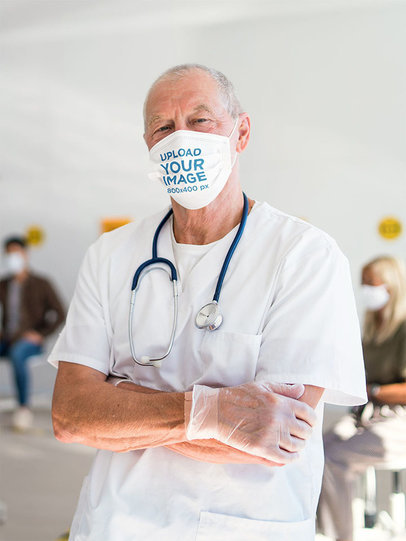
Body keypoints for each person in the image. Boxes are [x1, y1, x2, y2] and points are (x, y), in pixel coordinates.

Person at [49, 64, 366, 541]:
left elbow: (273, 436)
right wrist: (213, 414)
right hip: (114, 524)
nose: (181, 140)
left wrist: (122, 398)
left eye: (200, 121)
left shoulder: (305, 256)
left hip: (242, 527)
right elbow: (72, 415)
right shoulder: (110, 255)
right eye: (163, 127)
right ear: (149, 149)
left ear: (241, 132)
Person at [317, 255, 406, 541]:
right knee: (315, 449)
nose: (365, 289)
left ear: (390, 287)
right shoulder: (373, 329)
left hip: (397, 420)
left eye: (371, 283)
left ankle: (340, 536)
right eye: (363, 283)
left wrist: (375, 391)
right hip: (367, 415)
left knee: (334, 457)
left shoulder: (403, 329)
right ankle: (321, 530)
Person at [0, 235, 65, 430]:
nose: (13, 257)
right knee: (13, 350)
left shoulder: (41, 283)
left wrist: (40, 333)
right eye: (9, 253)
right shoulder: (3, 284)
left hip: (30, 341)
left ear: (25, 254)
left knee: (18, 354)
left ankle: (23, 408)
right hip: (6, 339)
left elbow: (60, 313)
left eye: (16, 253)